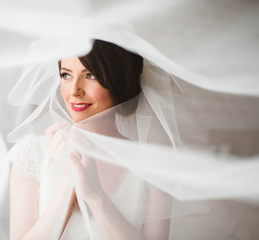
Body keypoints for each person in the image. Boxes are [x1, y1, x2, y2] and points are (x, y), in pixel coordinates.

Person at [9, 40, 172, 240]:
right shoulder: (32, 152)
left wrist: (95, 195)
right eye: (66, 75)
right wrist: (68, 181)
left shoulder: (153, 166)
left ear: (117, 80)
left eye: (90, 75)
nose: (74, 90)